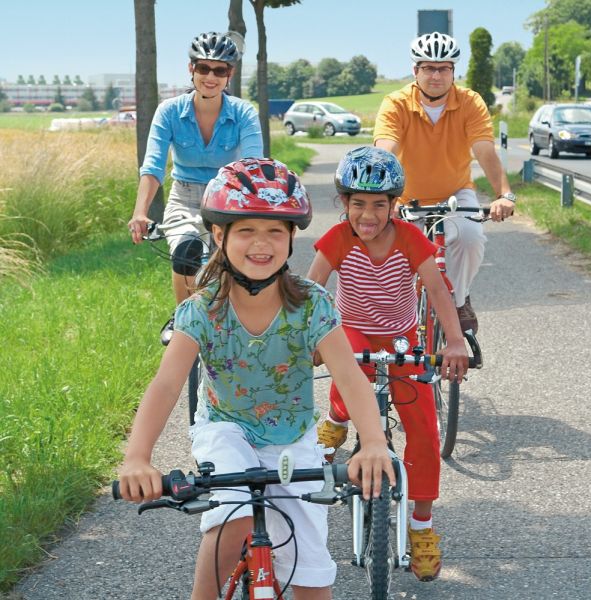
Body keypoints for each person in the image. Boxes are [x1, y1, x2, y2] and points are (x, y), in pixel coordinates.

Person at [118, 158, 395, 600]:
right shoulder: (202, 310)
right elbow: (166, 385)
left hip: (293, 438)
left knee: (313, 578)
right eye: (246, 230)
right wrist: (137, 457)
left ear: (291, 237)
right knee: (235, 517)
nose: (261, 244)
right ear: (219, 235)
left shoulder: (312, 305)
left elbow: (351, 377)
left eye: (275, 231)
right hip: (227, 429)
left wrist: (375, 443)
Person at [307, 146, 468, 582]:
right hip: (351, 329)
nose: (369, 214)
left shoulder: (410, 239)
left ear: (395, 205)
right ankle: (336, 418)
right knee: (347, 375)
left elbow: (436, 291)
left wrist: (454, 341)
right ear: (344, 204)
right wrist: (307, 338)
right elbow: (311, 289)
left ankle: (421, 526)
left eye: (380, 204)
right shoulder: (336, 239)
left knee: (423, 429)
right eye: (358, 204)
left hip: (401, 335)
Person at [373, 31, 516, 334]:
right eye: (428, 68)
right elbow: (386, 150)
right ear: (415, 71)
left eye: (443, 68)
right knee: (393, 260)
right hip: (405, 197)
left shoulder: (469, 102)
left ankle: (460, 299)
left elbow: (484, 150)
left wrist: (504, 194)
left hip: (454, 194)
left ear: (453, 71)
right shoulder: (396, 104)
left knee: (470, 237)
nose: (436, 75)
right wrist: (381, 199)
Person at [127, 31, 263, 344]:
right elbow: (153, 167)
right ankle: (184, 319)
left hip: (229, 197)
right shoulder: (170, 112)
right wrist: (140, 213)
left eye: (219, 70)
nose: (211, 77)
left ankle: (238, 322)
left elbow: (254, 166)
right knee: (187, 248)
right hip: (185, 197)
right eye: (203, 68)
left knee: (236, 263)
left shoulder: (244, 113)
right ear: (191, 70)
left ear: (230, 74)